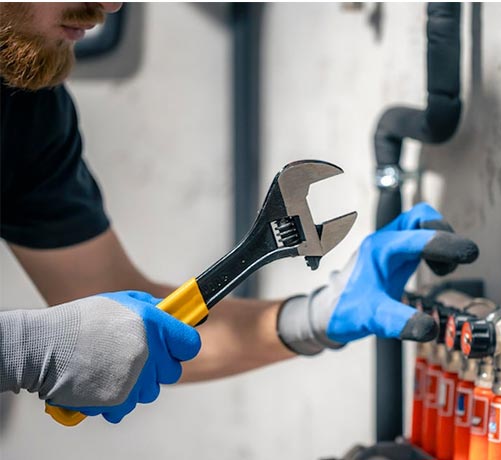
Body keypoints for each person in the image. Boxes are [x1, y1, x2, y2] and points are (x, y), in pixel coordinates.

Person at [0, 2, 476, 423]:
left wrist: (315, 316)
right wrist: (20, 349)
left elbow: (124, 321)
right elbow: (54, 342)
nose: (111, 5)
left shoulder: (28, 112)